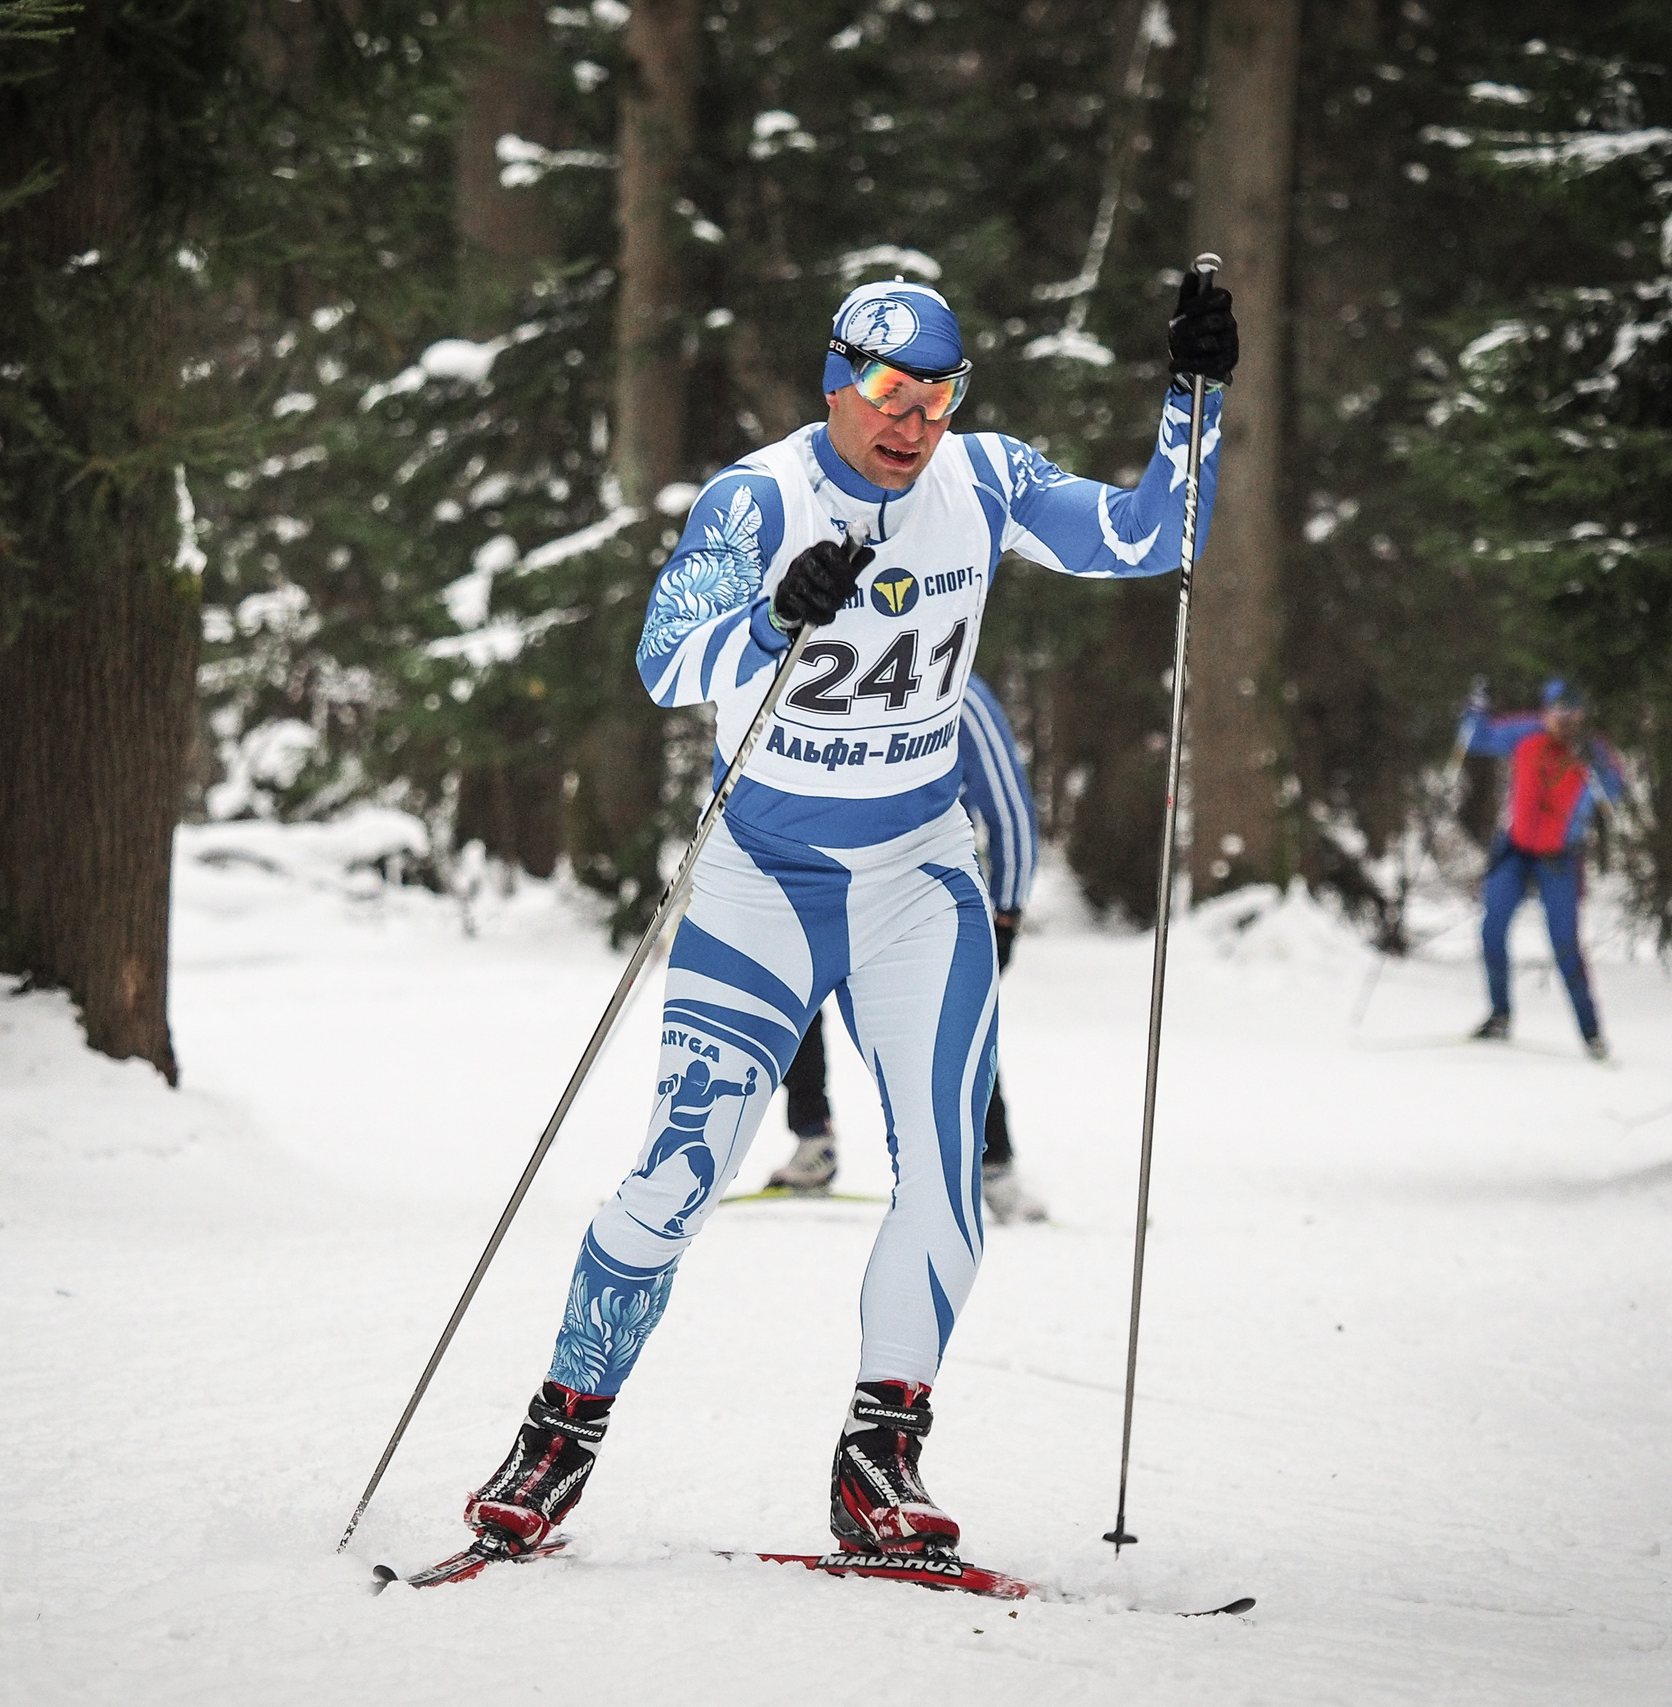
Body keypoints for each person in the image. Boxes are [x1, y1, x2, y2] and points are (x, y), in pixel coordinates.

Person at [461, 270, 1236, 1564]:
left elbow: (1152, 537)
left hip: (915, 877)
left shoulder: (984, 479)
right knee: (676, 1173)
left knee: (945, 1169)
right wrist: (772, 615)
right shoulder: (757, 494)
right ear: (835, 380)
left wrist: (1190, 402)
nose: (911, 417)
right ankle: (559, 1431)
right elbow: (665, 658)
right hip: (759, 877)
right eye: (886, 389)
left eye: (937, 394)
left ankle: (882, 1456)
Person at [767, 673, 1048, 1224]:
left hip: (919, 896)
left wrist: (1008, 910)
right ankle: (812, 1142)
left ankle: (995, 1170)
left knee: (951, 1025)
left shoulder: (959, 691)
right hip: (818, 881)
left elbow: (1010, 808)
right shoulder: (817, 675)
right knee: (787, 995)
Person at [1458, 679, 1626, 1059]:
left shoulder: (1591, 750)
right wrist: (1474, 707)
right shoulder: (1525, 733)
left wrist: (1596, 765)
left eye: (1571, 715)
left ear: (1581, 715)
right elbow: (1475, 738)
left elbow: (1615, 791)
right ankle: (1499, 1015)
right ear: (1546, 711)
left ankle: (1591, 1033)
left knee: (1565, 944)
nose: (1563, 722)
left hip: (1559, 858)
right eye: (1556, 713)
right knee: (1491, 928)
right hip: (1515, 851)